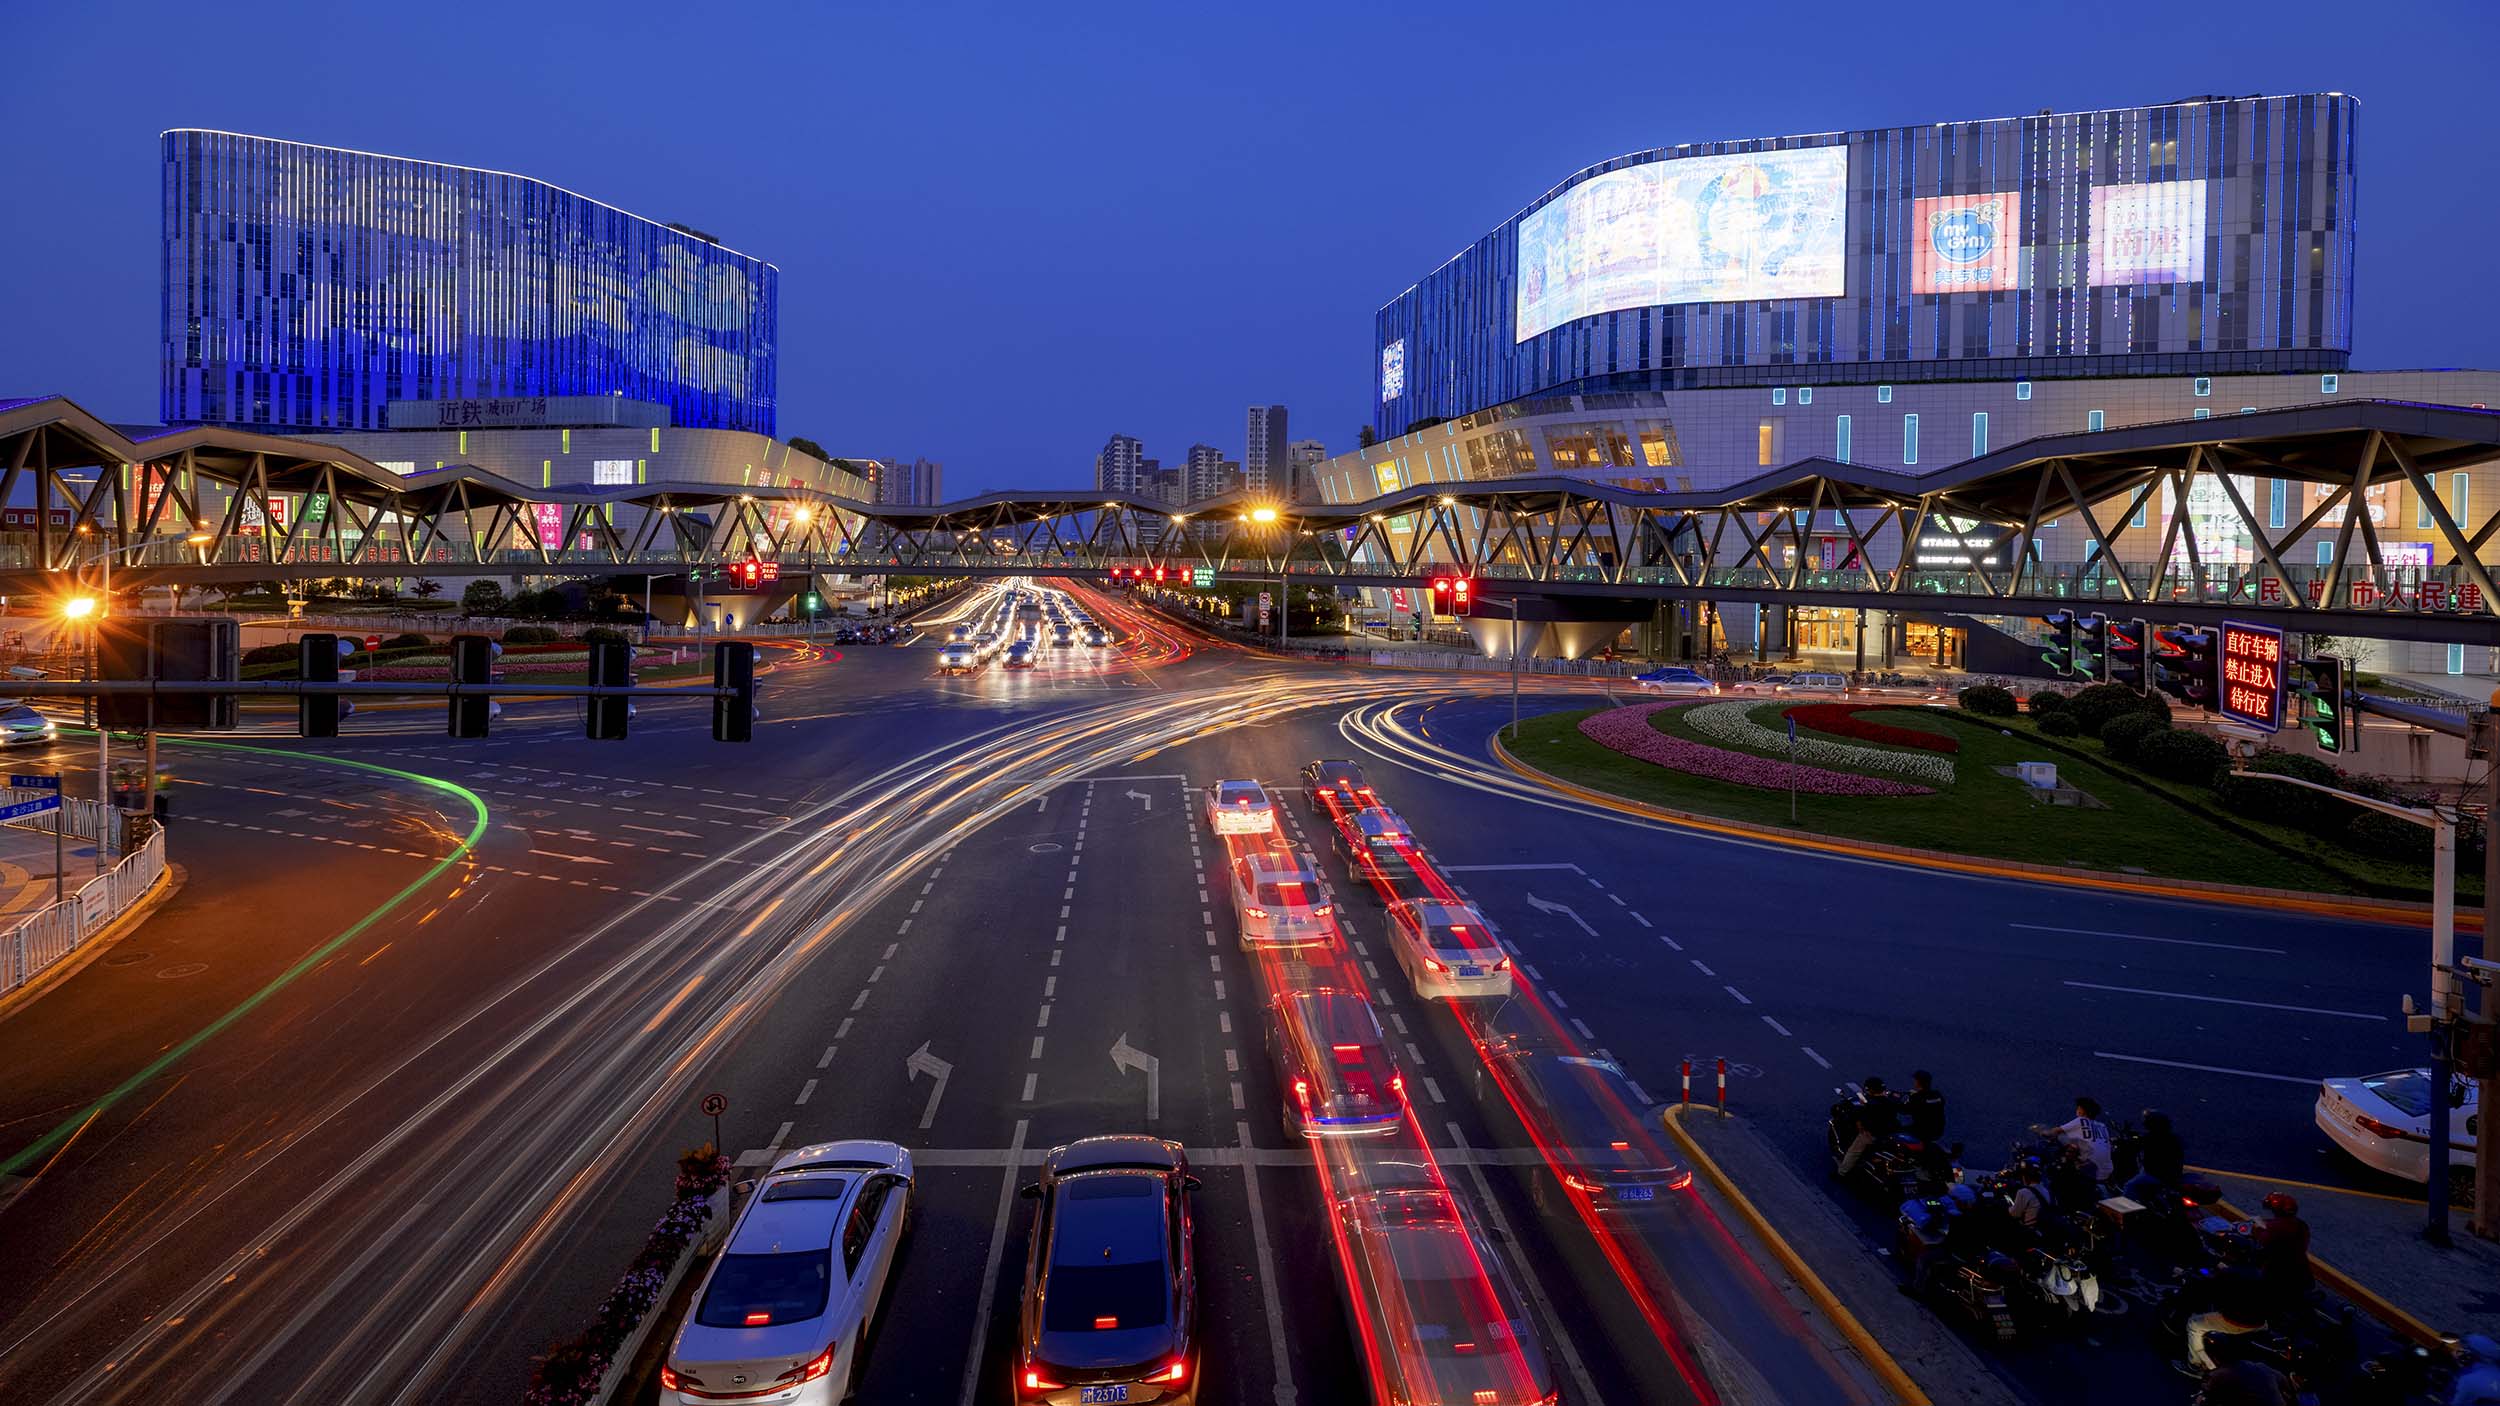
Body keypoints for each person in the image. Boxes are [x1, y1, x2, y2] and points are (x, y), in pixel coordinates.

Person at [2184, 1262, 2270, 1373]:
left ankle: (2196, 1364)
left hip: (2239, 1321)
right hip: (2260, 1322)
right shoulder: (2264, 1278)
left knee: (2194, 1324)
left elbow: (2216, 1288)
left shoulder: (2237, 1275)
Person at [2249, 1192, 2312, 1320]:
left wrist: (2257, 1228)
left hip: (2278, 1270)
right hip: (2301, 1268)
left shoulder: (2275, 1227)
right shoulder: (2301, 1225)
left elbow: (2262, 1240)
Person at [2193, 1332, 2295, 1406]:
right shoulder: (2259, 1366)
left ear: (2212, 1356)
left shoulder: (2217, 1376)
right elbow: (2284, 1382)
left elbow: (2205, 1396)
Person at [2035, 1095, 2114, 1183]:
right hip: (2107, 1170)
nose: (2077, 1110)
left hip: (2091, 1168)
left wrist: (2041, 1131)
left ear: (2083, 1110)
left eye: (2078, 1108)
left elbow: (2055, 1131)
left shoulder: (2081, 1121)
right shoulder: (2102, 1126)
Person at [1836, 1076, 1901, 1177]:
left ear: (1870, 1089)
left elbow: (1859, 1114)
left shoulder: (1870, 1103)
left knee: (1853, 1151)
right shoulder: (1890, 1101)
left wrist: (1859, 1123)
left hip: (1873, 1134)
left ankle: (1842, 1172)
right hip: (1891, 1132)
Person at [2126, 1109, 2188, 1202]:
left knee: (2129, 1186)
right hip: (2174, 1175)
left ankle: (2126, 1211)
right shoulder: (2175, 1138)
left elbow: (2134, 1147)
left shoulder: (2150, 1138)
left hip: (2156, 1175)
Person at [1903, 1070, 1947, 1144]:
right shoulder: (1938, 1094)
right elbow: (1928, 1100)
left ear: (1917, 1082)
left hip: (1922, 1131)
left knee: (1897, 1133)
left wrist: (1910, 1097)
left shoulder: (1916, 1097)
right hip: (1938, 1130)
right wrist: (1918, 1094)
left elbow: (1904, 1110)